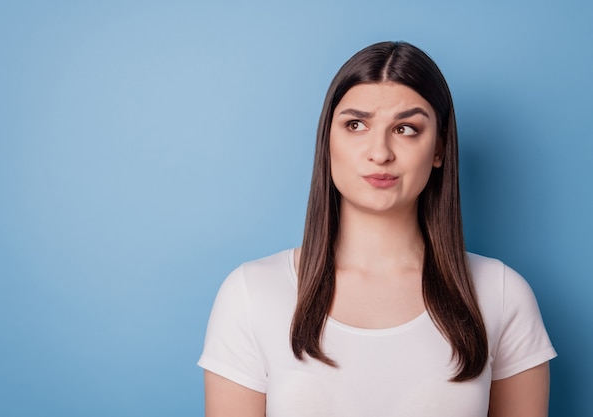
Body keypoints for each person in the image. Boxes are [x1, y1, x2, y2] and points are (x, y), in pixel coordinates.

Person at [198, 41, 557, 417]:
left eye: (406, 128)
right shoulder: (251, 294)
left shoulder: (501, 293)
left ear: (439, 149)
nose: (380, 151)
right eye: (356, 125)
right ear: (327, 140)